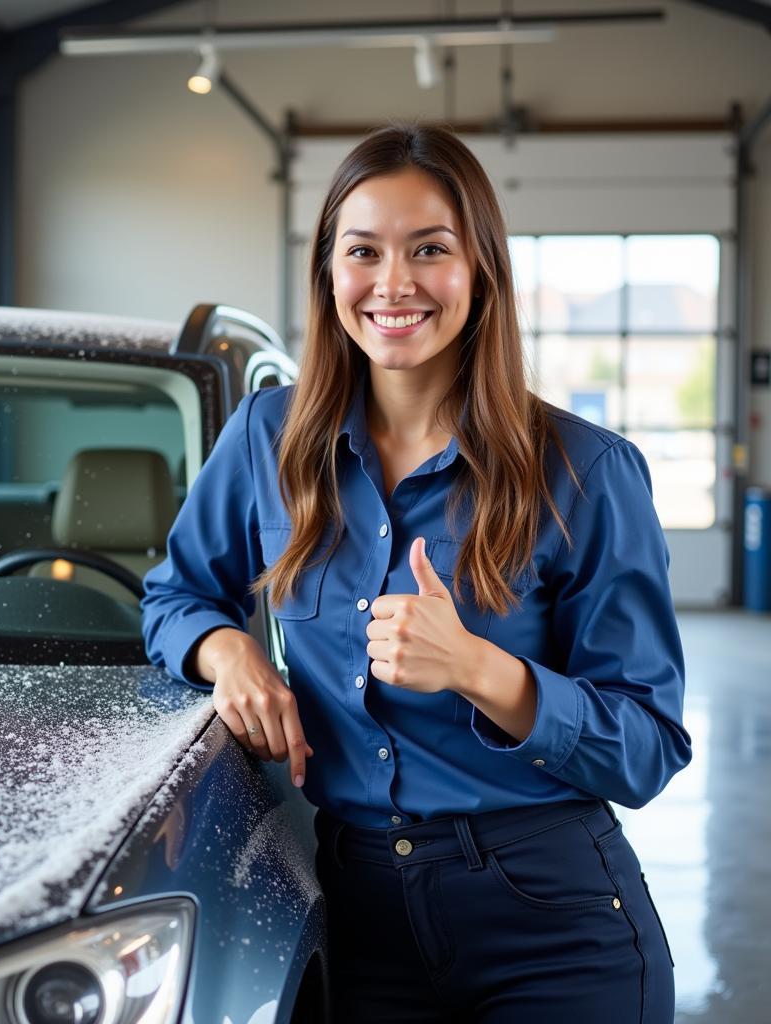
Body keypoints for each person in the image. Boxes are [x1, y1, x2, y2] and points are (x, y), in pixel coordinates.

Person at [141, 123, 692, 1023]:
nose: (393, 284)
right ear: (330, 273)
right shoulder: (267, 440)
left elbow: (648, 746)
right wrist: (227, 653)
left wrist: (482, 669)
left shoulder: (587, 472)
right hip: (357, 911)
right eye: (363, 251)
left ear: (480, 272)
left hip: (553, 921)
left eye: (429, 249)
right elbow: (174, 594)